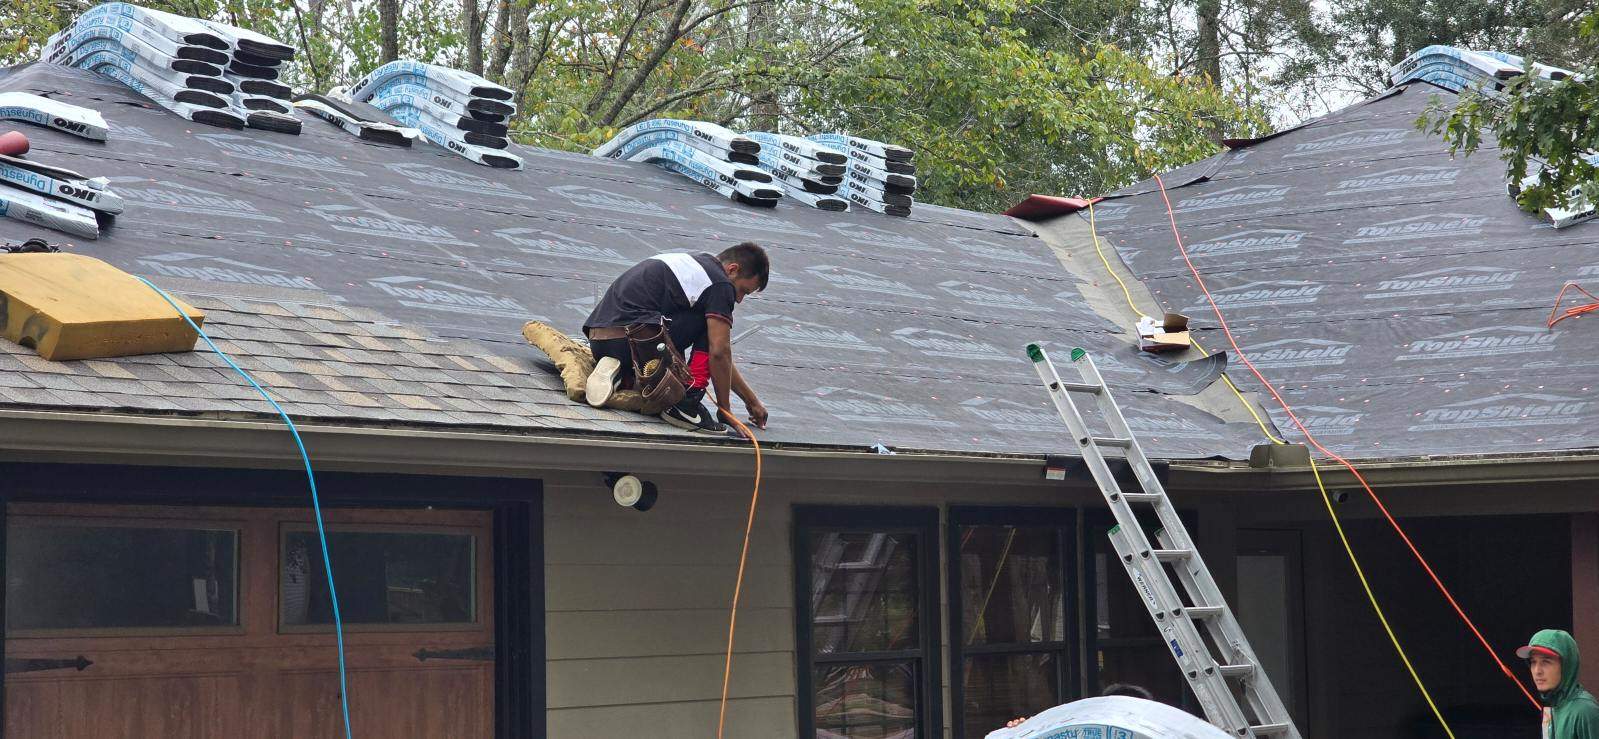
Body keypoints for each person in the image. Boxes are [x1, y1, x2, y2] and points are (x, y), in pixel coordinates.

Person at [583, 242, 770, 434]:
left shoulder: (694, 264)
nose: (738, 299)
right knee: (711, 325)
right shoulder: (720, 284)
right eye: (743, 291)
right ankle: (687, 402)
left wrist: (751, 401)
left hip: (601, 339)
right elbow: (719, 352)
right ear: (732, 270)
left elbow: (722, 359)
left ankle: (624, 374)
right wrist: (725, 411)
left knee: (709, 324)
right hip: (633, 341)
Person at [1519, 629, 1599, 739]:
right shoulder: (1553, 706)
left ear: (1567, 666)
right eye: (1533, 662)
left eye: (1546, 662)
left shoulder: (1585, 711)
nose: (1537, 671)